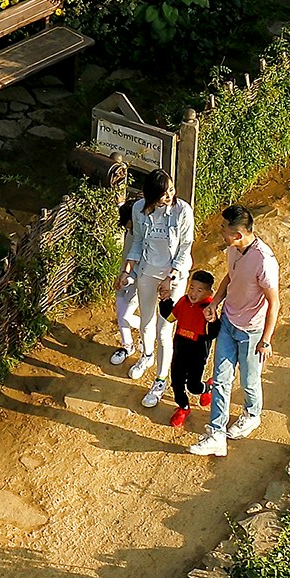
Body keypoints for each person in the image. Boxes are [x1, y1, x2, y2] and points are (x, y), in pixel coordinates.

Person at [190, 205, 281, 458]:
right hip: (229, 323)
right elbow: (229, 278)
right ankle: (216, 434)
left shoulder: (264, 261)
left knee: (249, 381)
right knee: (220, 378)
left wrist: (265, 340)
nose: (221, 232)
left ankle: (252, 414)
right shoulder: (234, 249)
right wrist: (215, 303)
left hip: (252, 331)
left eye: (225, 230)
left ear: (239, 234)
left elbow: (274, 303)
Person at [120, 170, 194, 409]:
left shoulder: (182, 210)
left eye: (171, 190)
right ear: (152, 195)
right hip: (147, 274)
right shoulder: (139, 209)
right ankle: (147, 356)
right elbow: (138, 242)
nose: (169, 196)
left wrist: (171, 278)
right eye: (163, 193)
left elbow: (185, 247)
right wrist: (127, 270)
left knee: (165, 330)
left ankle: (161, 380)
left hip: (173, 278)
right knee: (145, 322)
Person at [159, 270, 219, 428]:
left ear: (209, 292)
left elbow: (213, 333)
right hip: (179, 349)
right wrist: (165, 300)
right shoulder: (183, 301)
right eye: (192, 287)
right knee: (176, 382)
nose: (193, 293)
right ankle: (183, 408)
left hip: (197, 353)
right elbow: (170, 317)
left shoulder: (208, 308)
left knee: (193, 386)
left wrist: (212, 320)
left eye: (199, 290)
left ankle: (208, 387)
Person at [110, 195, 142, 367]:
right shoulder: (131, 225)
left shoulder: (144, 236)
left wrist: (127, 279)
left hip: (135, 280)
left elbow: (141, 263)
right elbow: (125, 209)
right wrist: (120, 203)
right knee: (120, 311)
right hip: (123, 274)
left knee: (127, 315)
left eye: (127, 224)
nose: (126, 228)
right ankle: (127, 345)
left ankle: (148, 332)